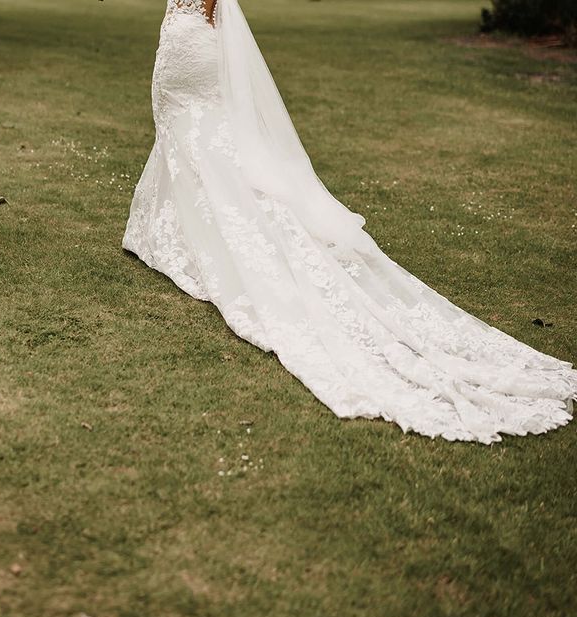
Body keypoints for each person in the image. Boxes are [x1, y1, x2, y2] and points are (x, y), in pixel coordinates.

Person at [123, 0, 577, 443]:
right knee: (202, 152)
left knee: (206, 154)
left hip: (190, 52)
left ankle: (196, 236)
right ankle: (178, 230)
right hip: (187, 50)